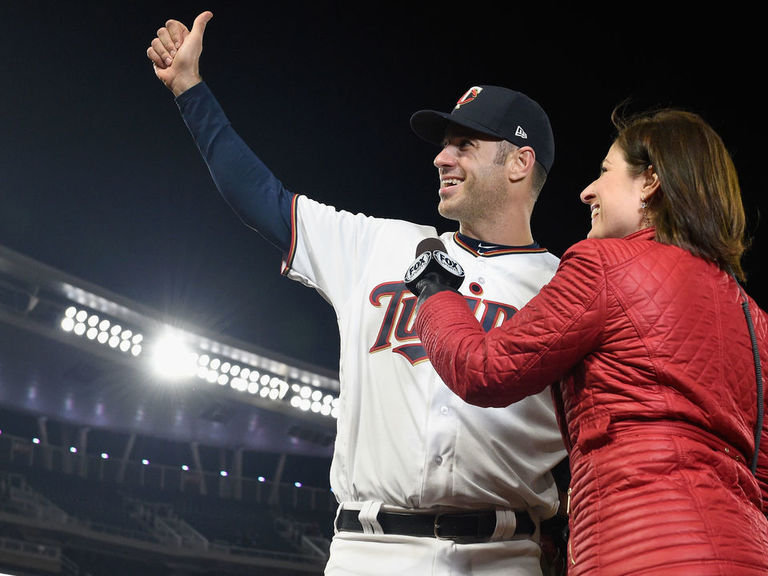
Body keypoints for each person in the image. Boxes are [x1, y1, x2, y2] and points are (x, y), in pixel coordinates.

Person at [147, 11, 568, 576]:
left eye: (465, 145)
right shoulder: (379, 244)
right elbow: (261, 197)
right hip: (368, 552)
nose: (442, 157)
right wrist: (189, 90)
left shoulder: (570, 287)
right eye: (445, 145)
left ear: (520, 163)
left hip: (505, 556)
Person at [407, 105, 768, 574]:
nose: (587, 191)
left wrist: (434, 289)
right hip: (746, 552)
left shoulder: (603, 263)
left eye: (604, 172)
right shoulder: (753, 316)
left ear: (651, 182)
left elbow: (484, 370)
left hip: (641, 551)